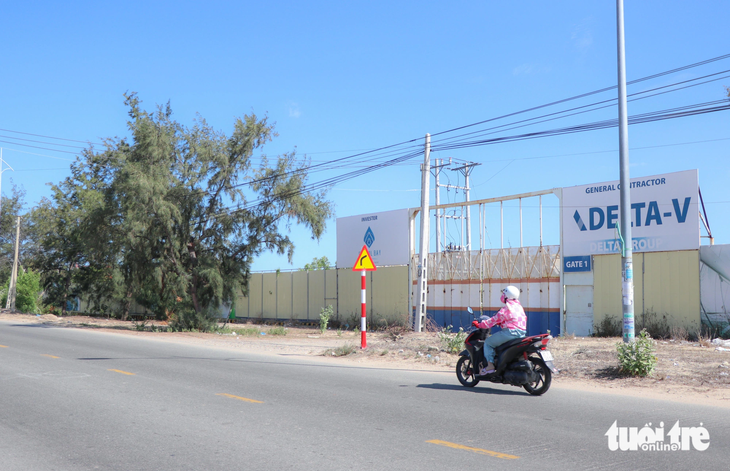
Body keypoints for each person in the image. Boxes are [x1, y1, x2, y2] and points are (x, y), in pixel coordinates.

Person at [471, 285, 527, 375]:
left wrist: (479, 324)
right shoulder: (519, 307)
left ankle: (490, 366)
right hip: (521, 333)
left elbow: (492, 321)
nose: (502, 295)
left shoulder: (506, 309)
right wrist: (501, 323)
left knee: (488, 343)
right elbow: (513, 320)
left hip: (510, 333)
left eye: (503, 294)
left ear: (506, 296)